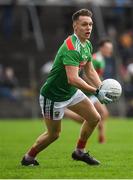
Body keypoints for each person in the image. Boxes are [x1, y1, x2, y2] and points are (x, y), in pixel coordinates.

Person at [21, 9, 112, 166]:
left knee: (94, 118)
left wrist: (101, 87)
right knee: (54, 135)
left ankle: (79, 152)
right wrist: (97, 92)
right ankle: (28, 158)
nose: (88, 28)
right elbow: (73, 78)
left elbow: (89, 71)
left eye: (90, 24)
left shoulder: (87, 45)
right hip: (53, 96)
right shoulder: (71, 47)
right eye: (84, 24)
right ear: (75, 26)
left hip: (70, 93)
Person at [64, 39, 113, 143]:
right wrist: (97, 89)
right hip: (90, 92)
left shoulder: (101, 59)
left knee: (102, 114)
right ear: (101, 48)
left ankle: (101, 136)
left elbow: (96, 75)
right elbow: (86, 75)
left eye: (110, 48)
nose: (110, 51)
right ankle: (65, 112)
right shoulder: (96, 59)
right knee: (93, 117)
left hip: (94, 92)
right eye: (108, 48)